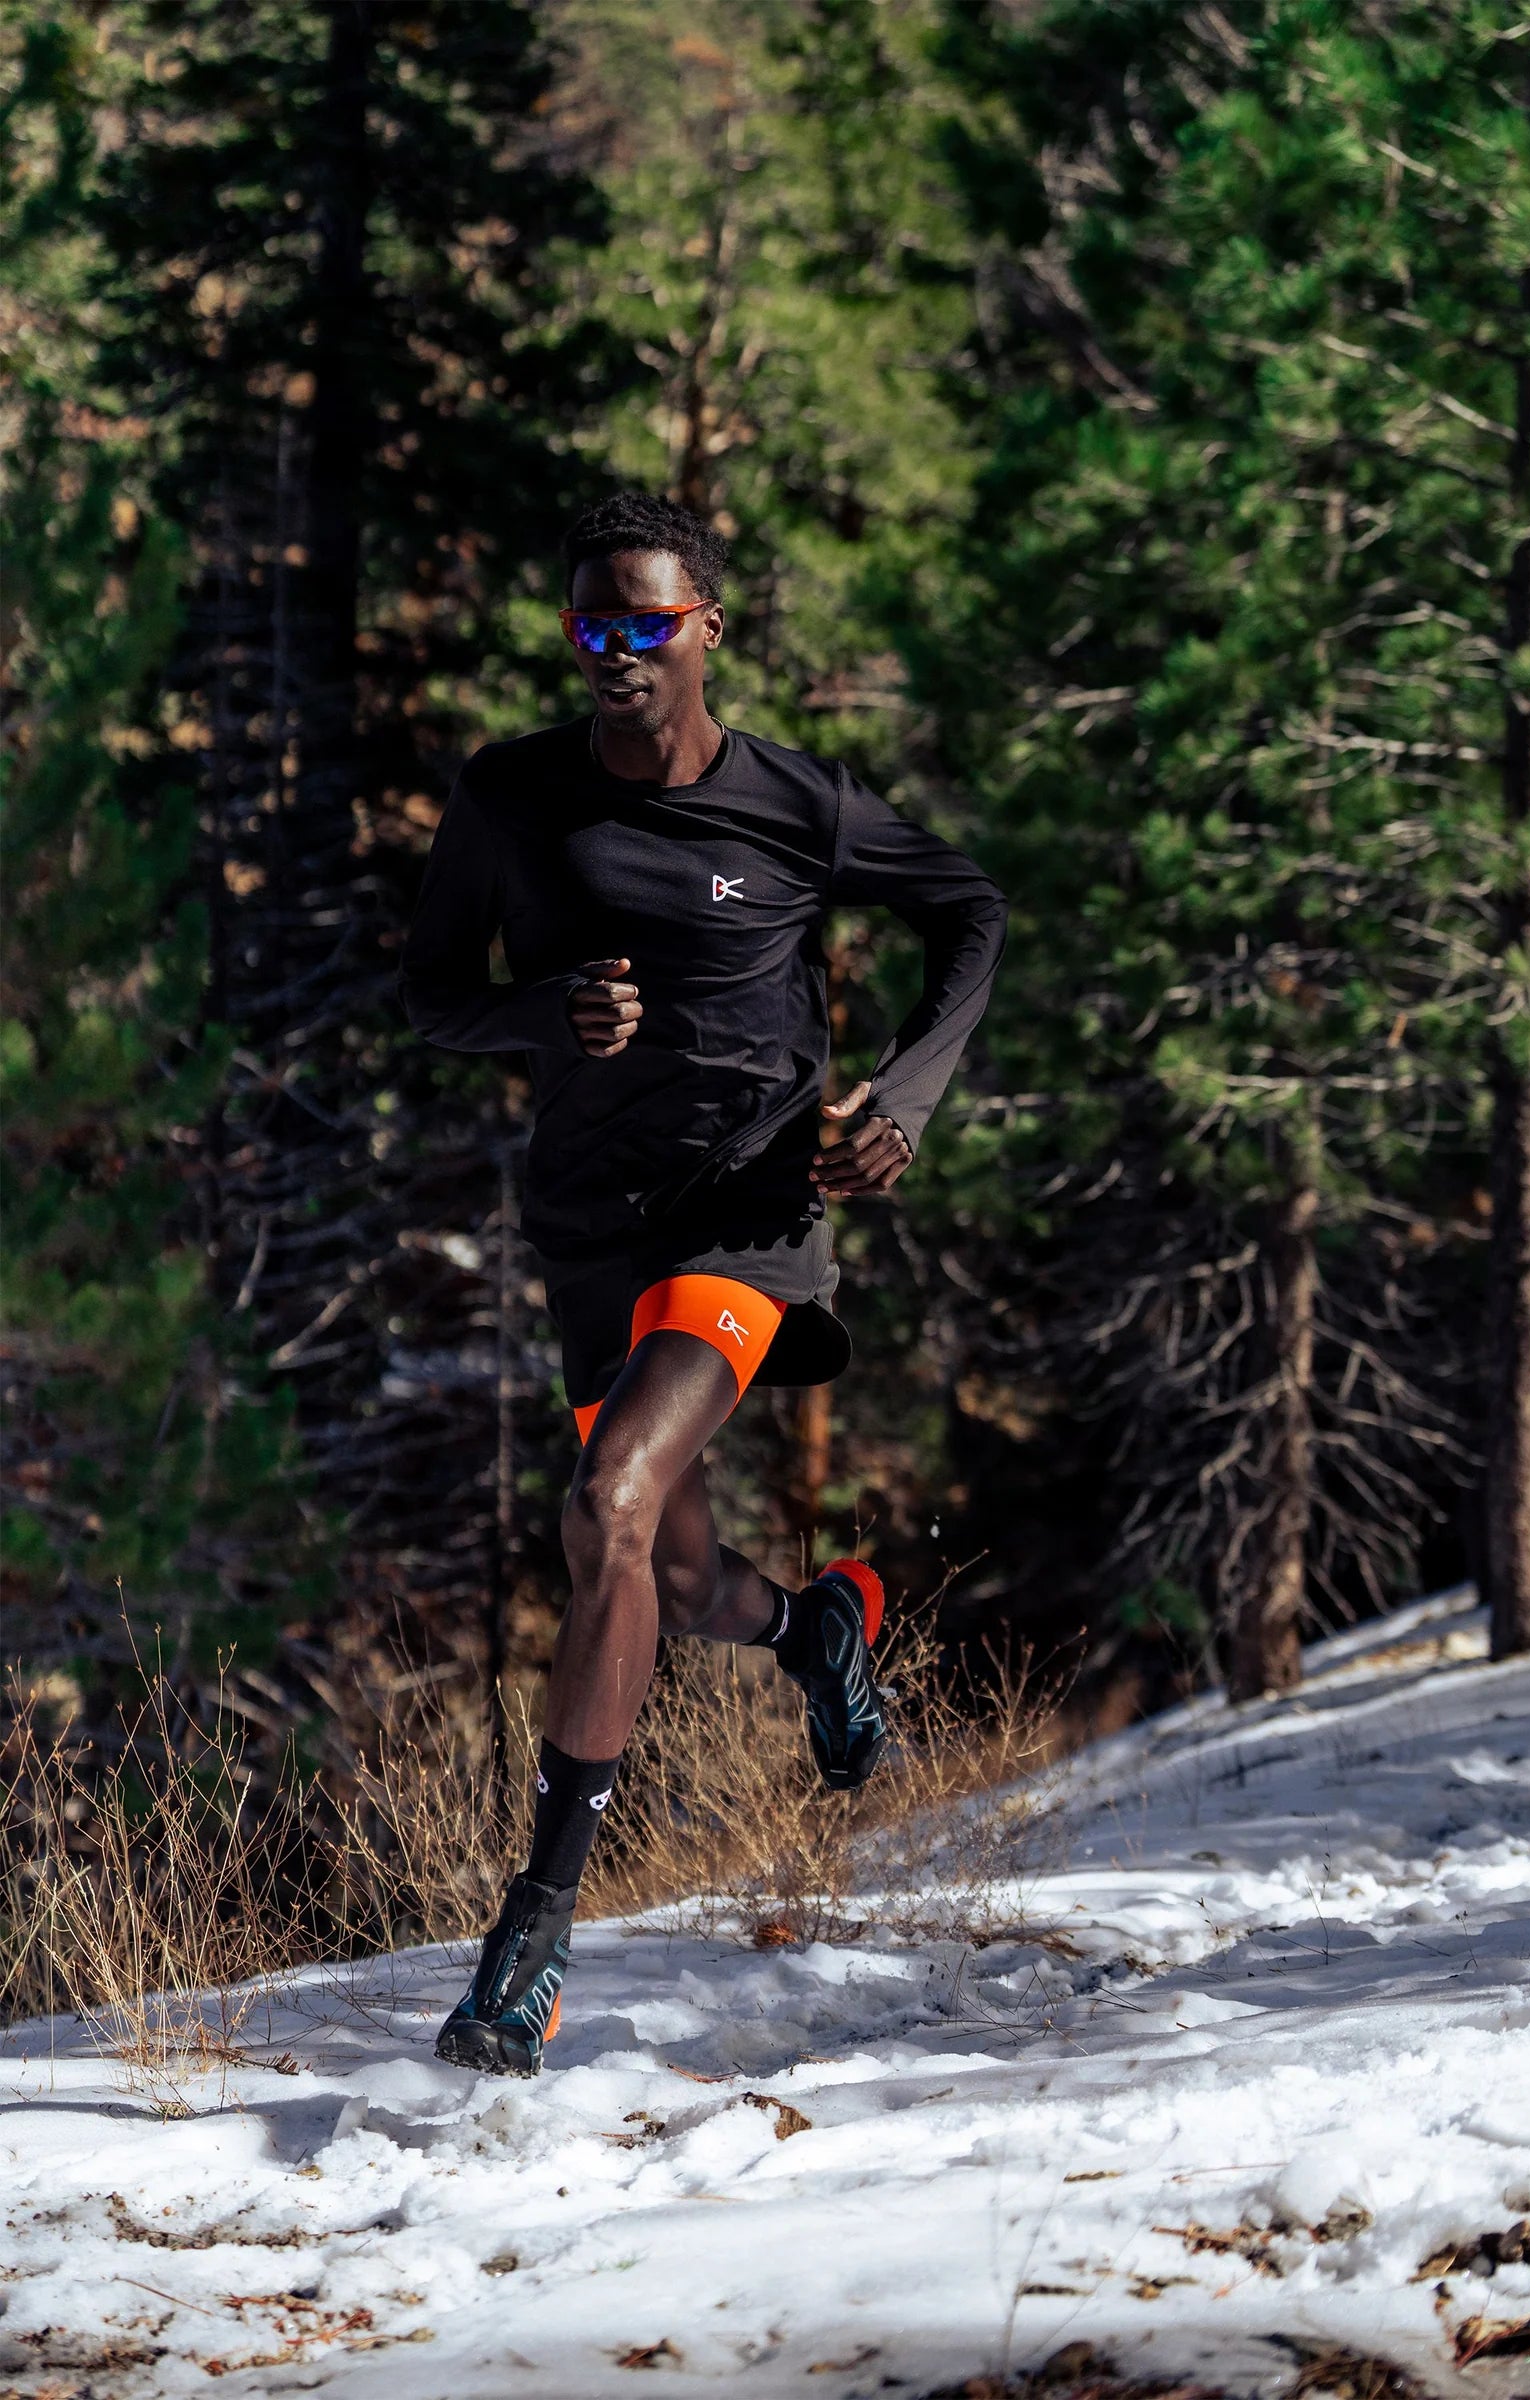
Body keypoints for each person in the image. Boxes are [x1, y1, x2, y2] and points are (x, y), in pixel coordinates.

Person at [399, 492, 1006, 2077]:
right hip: (592, 1224)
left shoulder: (795, 806)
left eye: (646, 625)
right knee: (661, 1574)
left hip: (744, 1219)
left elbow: (969, 913)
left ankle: (530, 1944)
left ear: (705, 631)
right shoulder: (511, 798)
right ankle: (814, 1626)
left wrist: (904, 1103)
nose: (616, 653)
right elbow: (425, 1001)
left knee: (602, 1505)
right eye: (591, 625)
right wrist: (540, 1012)